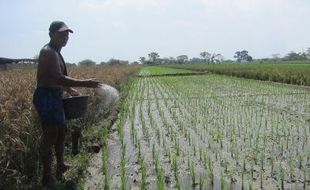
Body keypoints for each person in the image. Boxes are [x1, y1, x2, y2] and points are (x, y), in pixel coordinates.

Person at [33, 21, 101, 187]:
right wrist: (86, 82)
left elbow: (59, 79)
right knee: (50, 135)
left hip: (55, 95)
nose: (65, 37)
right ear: (51, 34)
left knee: (62, 132)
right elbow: (57, 78)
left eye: (67, 34)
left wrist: (69, 90)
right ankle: (47, 177)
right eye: (61, 34)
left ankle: (61, 165)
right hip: (46, 97)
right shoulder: (48, 52)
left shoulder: (56, 52)